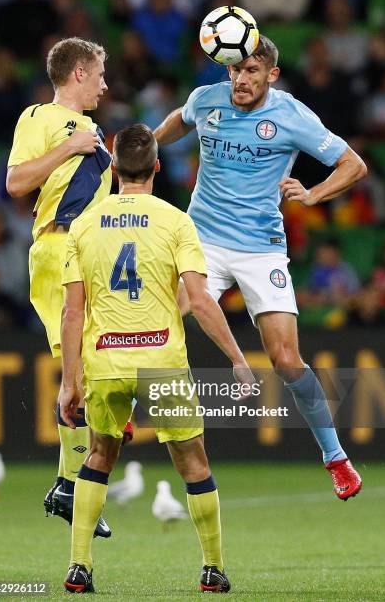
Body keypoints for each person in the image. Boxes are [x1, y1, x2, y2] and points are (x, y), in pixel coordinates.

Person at [153, 35, 367, 500]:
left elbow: (353, 164)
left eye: (251, 71)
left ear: (271, 74)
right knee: (162, 318)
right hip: (202, 241)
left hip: (260, 249)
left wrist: (314, 195)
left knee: (286, 360)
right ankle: (125, 410)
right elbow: (180, 120)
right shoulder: (206, 99)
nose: (240, 80)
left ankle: (335, 457)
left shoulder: (292, 116)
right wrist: (150, 145)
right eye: (235, 70)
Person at [59, 124, 254, 593]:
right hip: (161, 360)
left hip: (105, 361)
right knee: (193, 465)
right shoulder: (176, 222)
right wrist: (237, 357)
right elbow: (202, 301)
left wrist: (69, 380)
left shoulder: (84, 224)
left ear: (112, 165)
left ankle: (79, 565)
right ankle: (212, 567)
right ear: (157, 167)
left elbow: (72, 311)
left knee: (100, 457)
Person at [6, 37, 132, 537]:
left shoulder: (96, 133)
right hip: (58, 251)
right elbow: (16, 183)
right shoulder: (39, 117)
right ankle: (68, 486)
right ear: (78, 73)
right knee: (77, 372)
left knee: (100, 367)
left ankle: (67, 485)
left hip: (91, 255)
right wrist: (67, 147)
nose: (105, 83)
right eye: (99, 73)